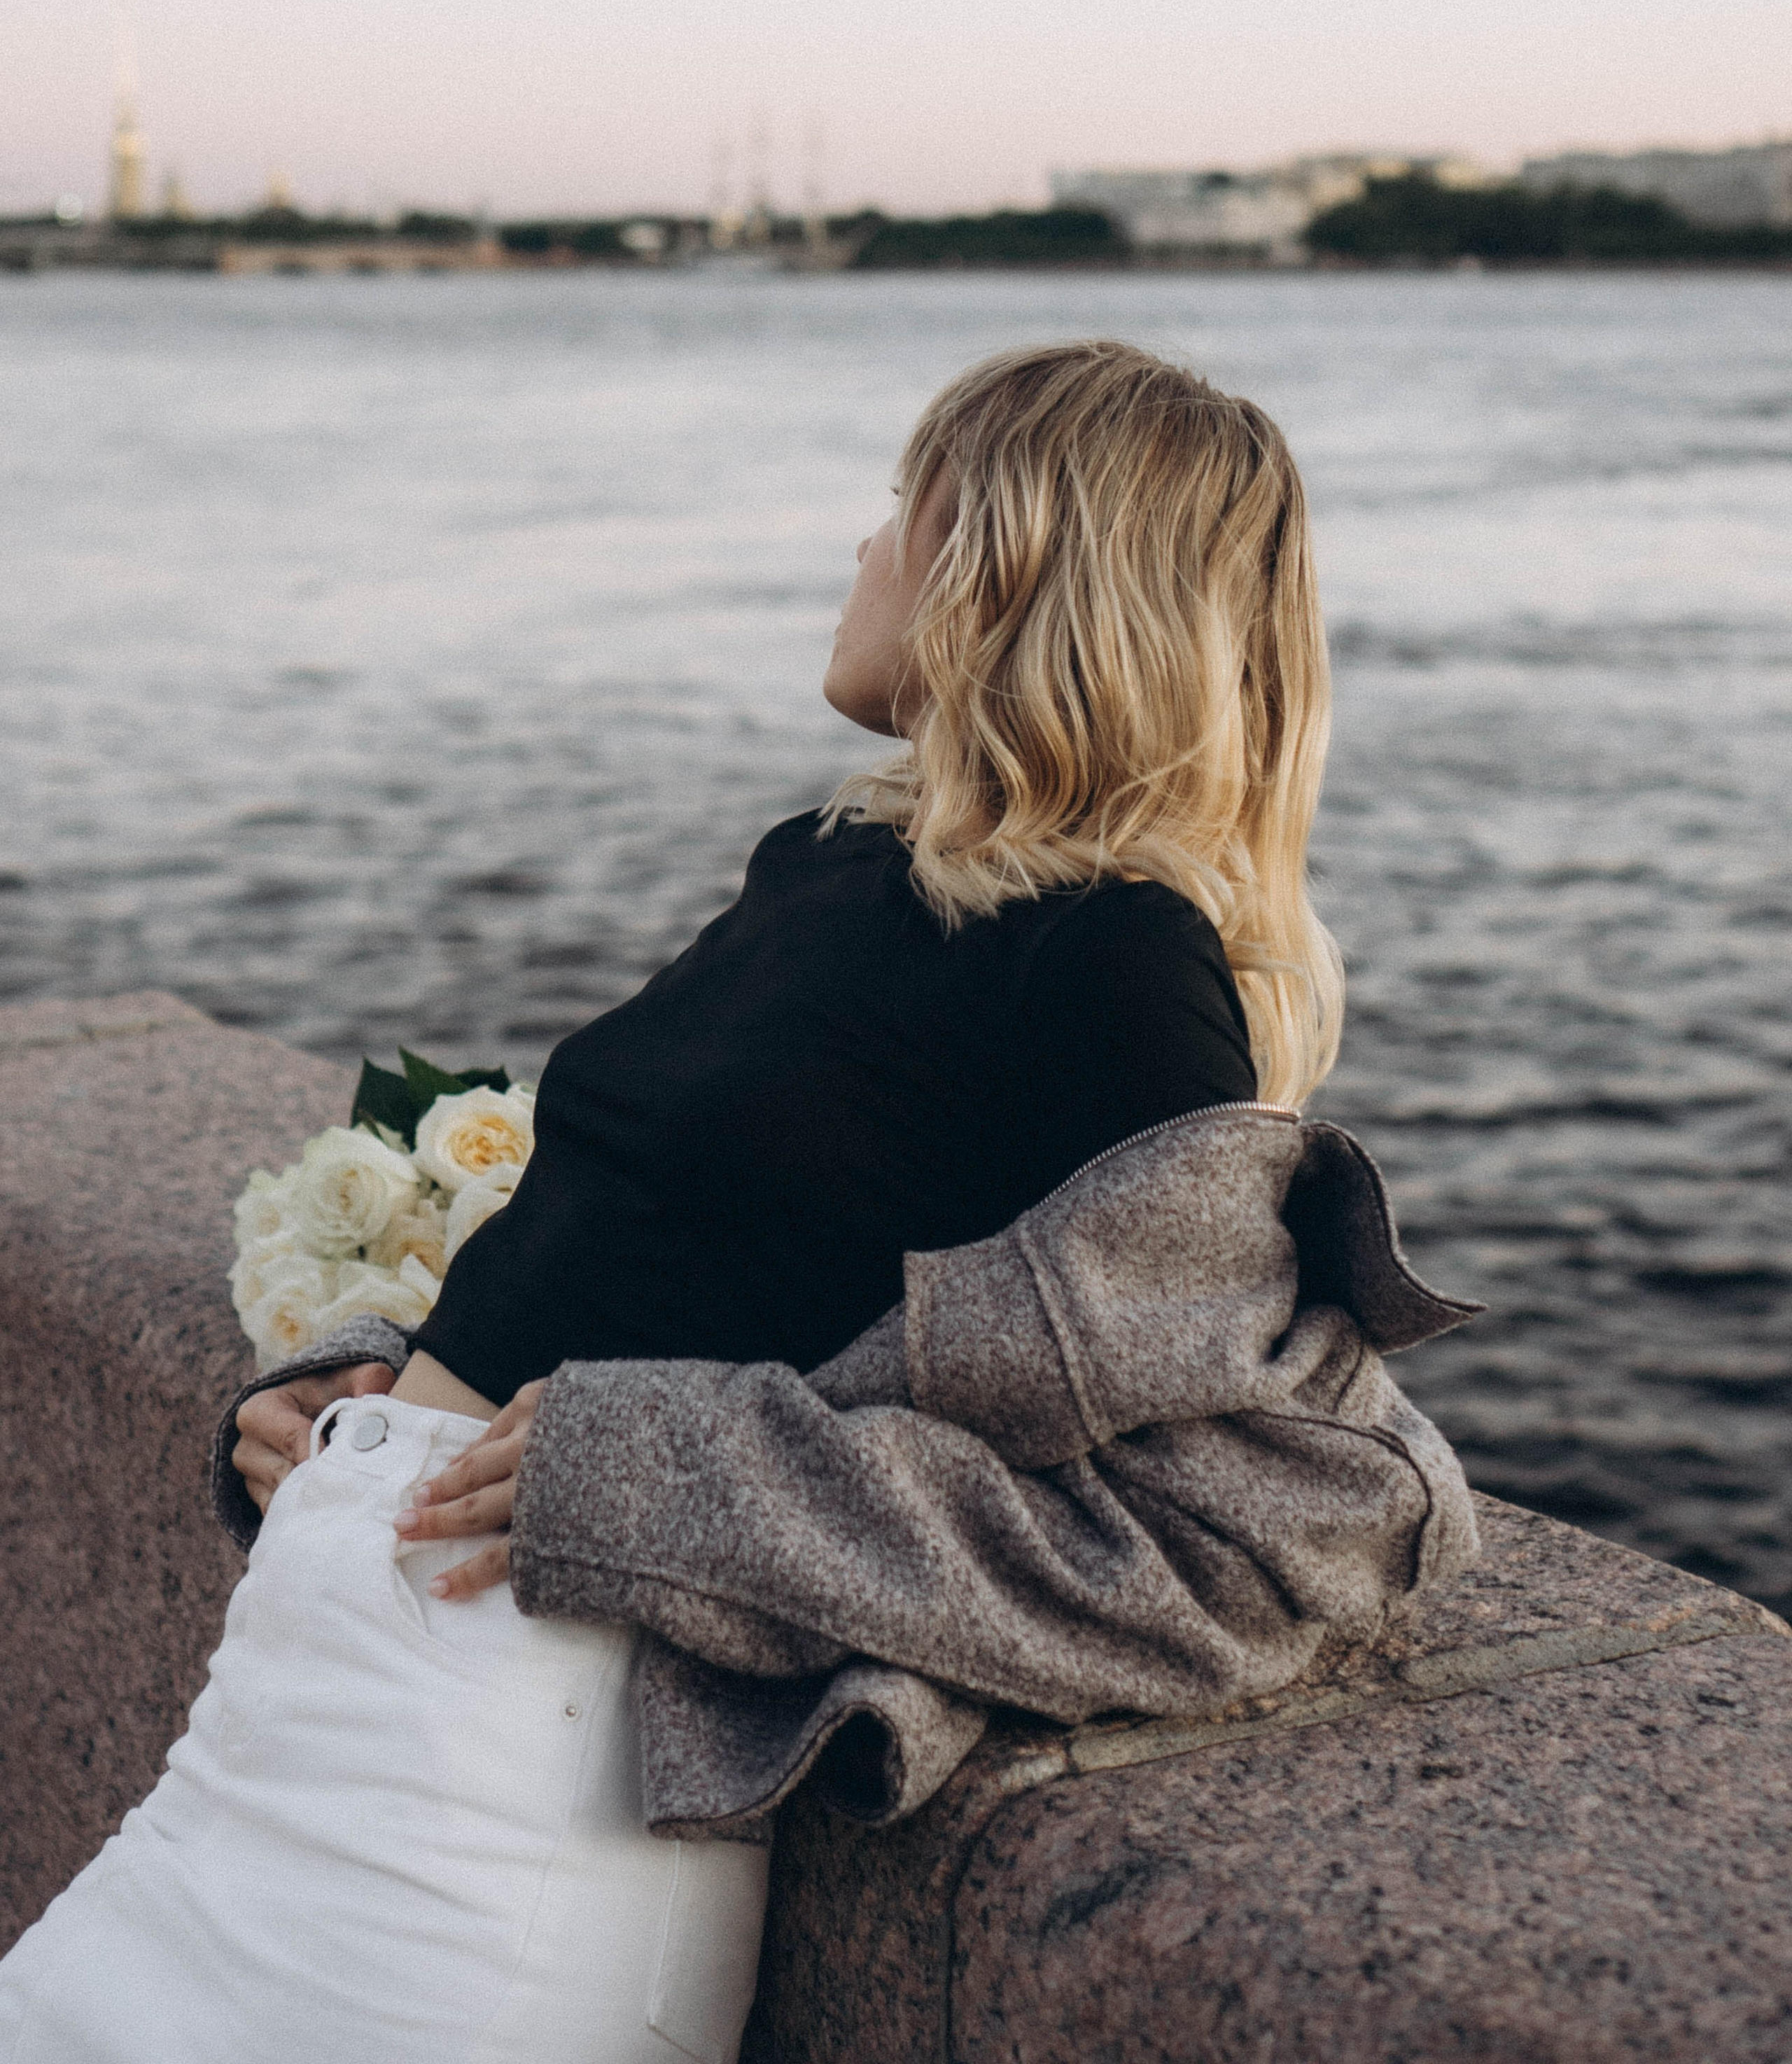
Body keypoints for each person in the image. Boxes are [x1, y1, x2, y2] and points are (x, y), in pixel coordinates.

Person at [1, 340, 1461, 2064]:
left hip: (493, 1815)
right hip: (290, 1727)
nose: (861, 551)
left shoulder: (1114, 967)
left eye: (900, 509)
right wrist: (370, 1389)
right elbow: (687, 1258)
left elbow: (1276, 1530)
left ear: (1002, 561)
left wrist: (659, 1475)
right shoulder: (834, 867)